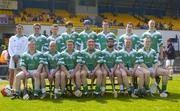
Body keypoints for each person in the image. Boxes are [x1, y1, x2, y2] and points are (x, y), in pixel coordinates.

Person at [8, 24, 28, 89]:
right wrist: (13, 56)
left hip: (21, 59)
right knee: (11, 74)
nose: (19, 30)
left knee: (22, 74)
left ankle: (24, 88)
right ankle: (11, 88)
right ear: (16, 30)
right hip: (13, 59)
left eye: (20, 29)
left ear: (23, 30)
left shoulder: (25, 39)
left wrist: (19, 56)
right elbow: (9, 48)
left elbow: (26, 49)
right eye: (18, 29)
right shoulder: (12, 38)